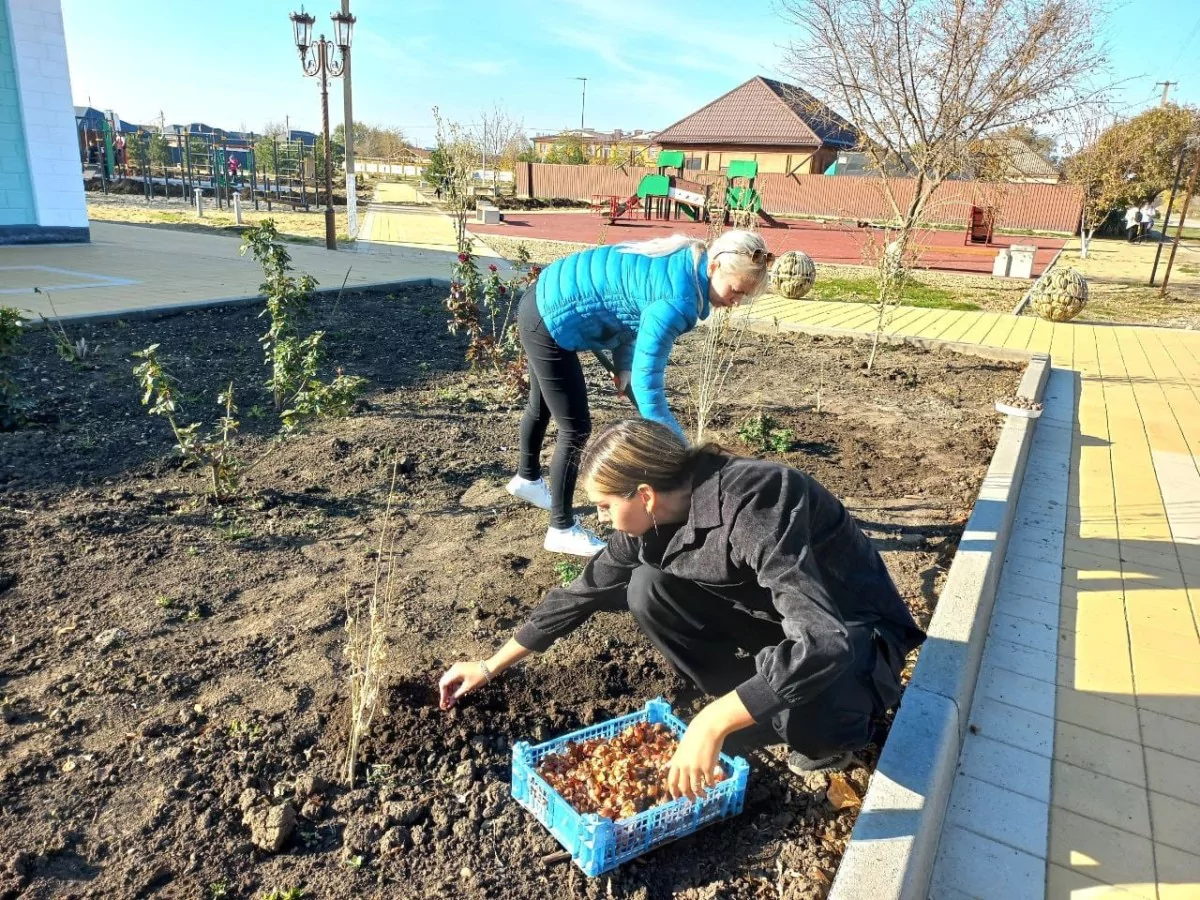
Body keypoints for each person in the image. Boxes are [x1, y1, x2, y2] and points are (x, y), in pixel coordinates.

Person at [441, 420, 926, 789]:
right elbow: (580, 594)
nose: (601, 518)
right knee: (646, 587)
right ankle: (751, 706)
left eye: (606, 506)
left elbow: (822, 643)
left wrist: (711, 720)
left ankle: (834, 731)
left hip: (852, 633)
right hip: (779, 623)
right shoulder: (651, 525)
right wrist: (488, 665)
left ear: (646, 495)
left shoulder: (759, 501)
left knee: (811, 725)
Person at [505, 231, 773, 557]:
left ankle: (527, 479)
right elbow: (649, 391)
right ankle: (561, 528)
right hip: (550, 318)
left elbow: (626, 309)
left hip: (543, 296)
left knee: (542, 404)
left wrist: (624, 365)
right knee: (575, 427)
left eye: (743, 296)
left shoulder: (685, 261)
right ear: (715, 267)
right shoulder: (677, 302)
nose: (736, 301)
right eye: (735, 290)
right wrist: (683, 456)